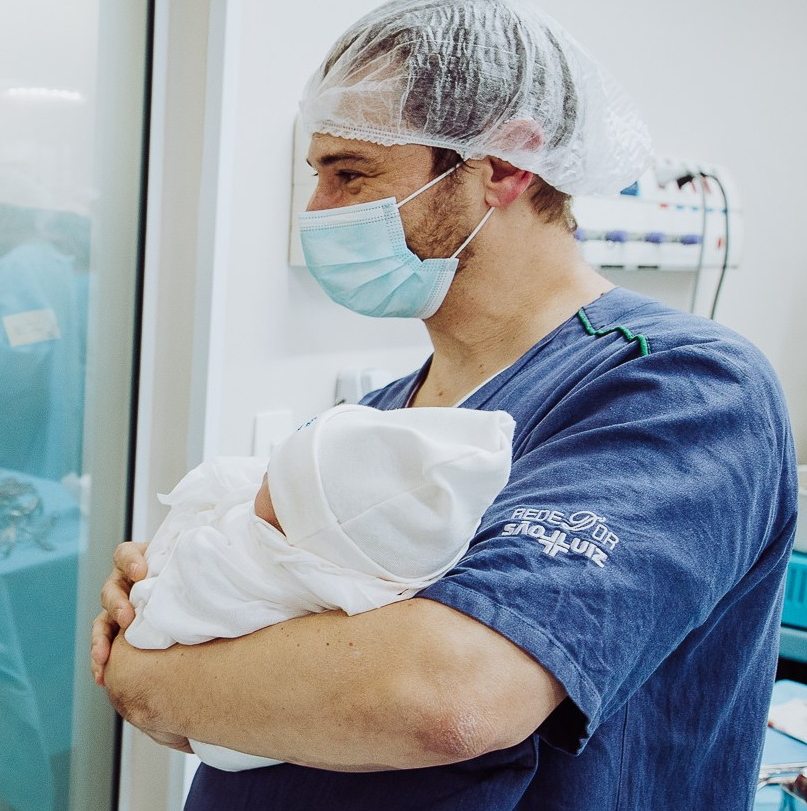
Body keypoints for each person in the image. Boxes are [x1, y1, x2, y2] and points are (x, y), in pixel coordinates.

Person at [92, 1, 798, 808]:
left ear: (503, 164)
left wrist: (147, 675)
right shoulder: (374, 421)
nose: (317, 210)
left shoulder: (681, 389)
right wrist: (177, 595)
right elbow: (236, 645)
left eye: (351, 173)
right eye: (316, 174)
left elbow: (447, 698)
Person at [123, 403, 515, 772]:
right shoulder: (376, 431)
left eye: (277, 483)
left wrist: (145, 602)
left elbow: (162, 615)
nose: (265, 475)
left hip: (227, 746)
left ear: (297, 536)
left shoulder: (260, 567)